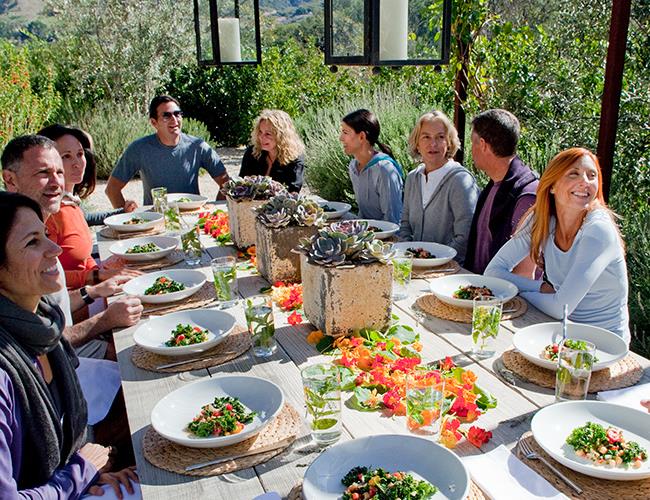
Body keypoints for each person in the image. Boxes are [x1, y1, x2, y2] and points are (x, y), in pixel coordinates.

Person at [0, 191, 139, 497]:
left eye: (46, 235)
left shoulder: (42, 324)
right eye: (32, 242)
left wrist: (90, 467)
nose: (53, 249)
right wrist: (80, 474)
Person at [1, 135, 143, 360]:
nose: (57, 182)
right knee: (134, 354)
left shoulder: (43, 232)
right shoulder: (10, 237)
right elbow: (48, 339)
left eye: (59, 172)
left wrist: (93, 290)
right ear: (10, 179)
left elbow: (54, 306)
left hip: (66, 348)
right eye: (43, 173)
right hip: (61, 363)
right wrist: (105, 317)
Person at [485, 147, 630, 343]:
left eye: (592, 175)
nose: (585, 182)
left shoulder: (598, 231)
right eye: (574, 174)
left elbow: (562, 306)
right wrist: (541, 288)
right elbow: (493, 272)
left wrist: (522, 290)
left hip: (603, 343)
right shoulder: (542, 218)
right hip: (559, 331)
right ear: (552, 185)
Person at [38, 124, 142, 290]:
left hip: (90, 294)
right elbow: (41, 277)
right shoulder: (48, 215)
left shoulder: (71, 204)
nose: (77, 163)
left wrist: (101, 268)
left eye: (80, 154)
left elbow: (84, 258)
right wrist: (96, 275)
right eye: (66, 156)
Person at [105, 95, 229, 207]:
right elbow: (112, 190)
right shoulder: (139, 149)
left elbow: (227, 183)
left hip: (193, 219)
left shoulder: (197, 147)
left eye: (177, 114)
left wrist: (216, 209)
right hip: (157, 220)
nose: (174, 120)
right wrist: (126, 218)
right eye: (166, 115)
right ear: (154, 122)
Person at [398, 111, 479, 264]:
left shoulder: (460, 180)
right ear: (417, 143)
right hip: (414, 266)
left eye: (440, 137)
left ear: (449, 142)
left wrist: (434, 262)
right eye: (426, 137)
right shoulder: (412, 178)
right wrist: (408, 256)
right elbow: (405, 225)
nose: (432, 144)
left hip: (448, 271)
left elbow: (465, 237)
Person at [465, 109, 539, 274]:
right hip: (479, 291)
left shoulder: (528, 195)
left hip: (505, 296)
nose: (471, 150)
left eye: (472, 142)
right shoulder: (493, 184)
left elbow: (524, 271)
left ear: (483, 145)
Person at [340, 109, 404, 224]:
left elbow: (393, 221)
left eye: (345, 133)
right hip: (366, 234)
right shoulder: (353, 167)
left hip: (386, 237)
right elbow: (363, 215)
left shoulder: (385, 169)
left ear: (362, 137)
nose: (341, 138)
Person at [239, 109, 305, 192]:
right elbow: (242, 183)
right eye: (260, 132)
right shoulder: (252, 152)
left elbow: (293, 191)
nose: (261, 137)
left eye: (268, 134)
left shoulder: (295, 158)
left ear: (281, 136)